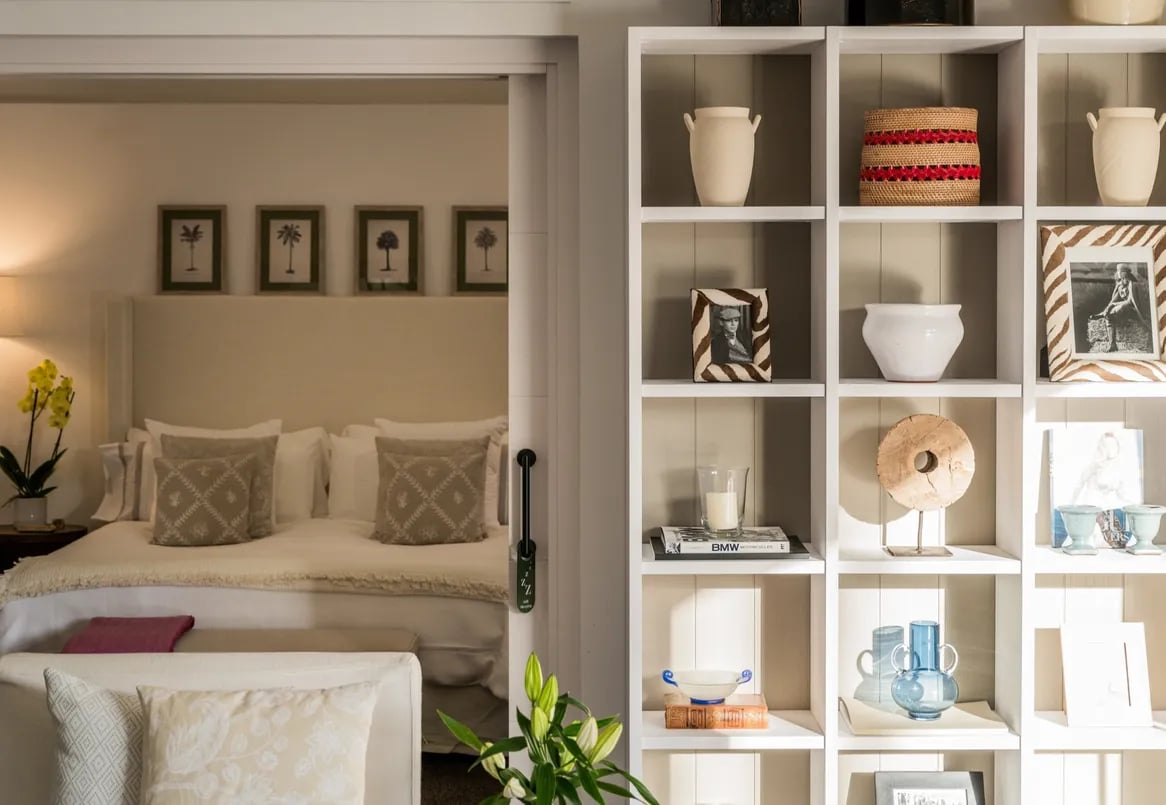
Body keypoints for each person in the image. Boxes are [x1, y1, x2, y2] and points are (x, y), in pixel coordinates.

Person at [1089, 263, 1148, 352]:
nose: (1123, 280)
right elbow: (1113, 301)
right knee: (1109, 314)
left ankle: (1105, 314)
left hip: (1133, 310)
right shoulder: (1120, 287)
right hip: (1123, 309)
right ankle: (1112, 344)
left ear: (1127, 275)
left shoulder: (1133, 285)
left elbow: (1130, 302)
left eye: (1124, 277)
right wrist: (1107, 309)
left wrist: (1114, 305)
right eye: (1121, 278)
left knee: (1117, 309)